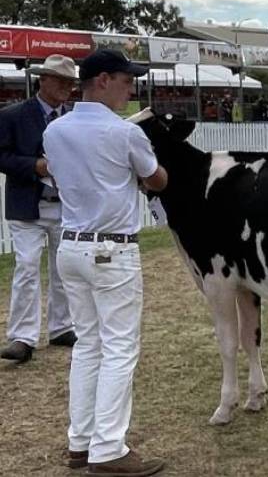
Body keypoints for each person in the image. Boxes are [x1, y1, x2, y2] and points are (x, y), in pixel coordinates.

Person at [43, 49, 168, 475]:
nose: (130, 87)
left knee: (88, 345)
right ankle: (108, 447)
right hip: (112, 248)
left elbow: (61, 177)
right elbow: (157, 178)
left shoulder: (55, 131)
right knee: (118, 348)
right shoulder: (124, 133)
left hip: (72, 245)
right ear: (102, 80)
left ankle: (81, 441)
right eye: (125, 80)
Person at [0, 55, 78, 364]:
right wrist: (35, 165)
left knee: (64, 270)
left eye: (70, 82)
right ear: (42, 80)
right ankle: (22, 336)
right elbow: (1, 156)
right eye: (60, 80)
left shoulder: (73, 118)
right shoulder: (13, 116)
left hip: (64, 206)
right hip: (28, 206)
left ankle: (61, 327)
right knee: (28, 267)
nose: (66, 88)